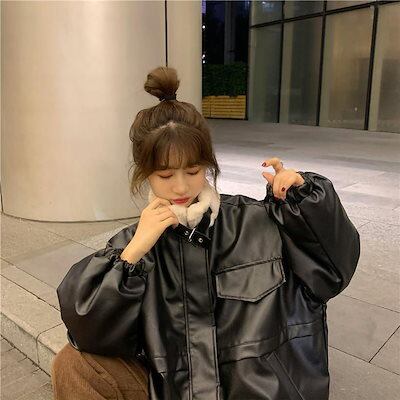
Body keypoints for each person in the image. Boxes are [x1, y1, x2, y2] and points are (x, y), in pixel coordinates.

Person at [51, 66, 360, 400]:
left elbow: (333, 271)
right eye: (165, 175)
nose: (181, 187)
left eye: (192, 170)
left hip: (257, 391)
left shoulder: (257, 221)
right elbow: (88, 332)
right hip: (174, 390)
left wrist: (304, 203)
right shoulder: (135, 245)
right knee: (72, 364)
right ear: (145, 174)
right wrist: (131, 257)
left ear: (208, 164)